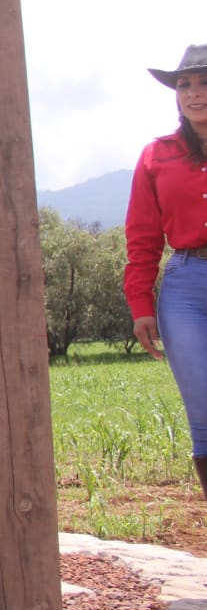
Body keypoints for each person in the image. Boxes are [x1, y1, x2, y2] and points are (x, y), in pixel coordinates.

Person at [124, 44, 207, 502]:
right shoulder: (157, 156)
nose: (194, 93)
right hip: (186, 291)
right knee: (204, 415)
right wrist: (140, 303)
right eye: (185, 84)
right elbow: (142, 237)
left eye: (204, 82)